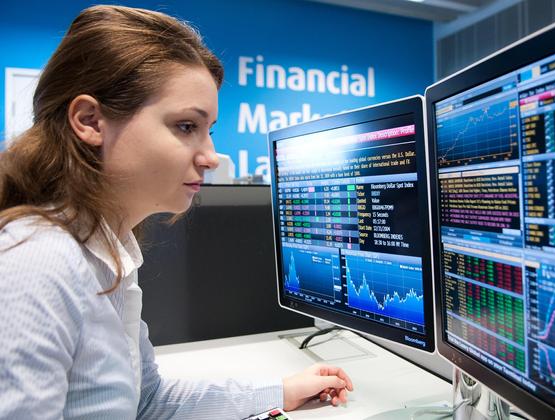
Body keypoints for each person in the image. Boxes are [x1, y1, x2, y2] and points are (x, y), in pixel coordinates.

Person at [0, 5, 353, 419]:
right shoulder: (36, 262)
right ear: (90, 120)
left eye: (209, 131)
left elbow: (145, 401)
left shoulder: (110, 253)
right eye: (187, 127)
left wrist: (279, 392)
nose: (210, 157)